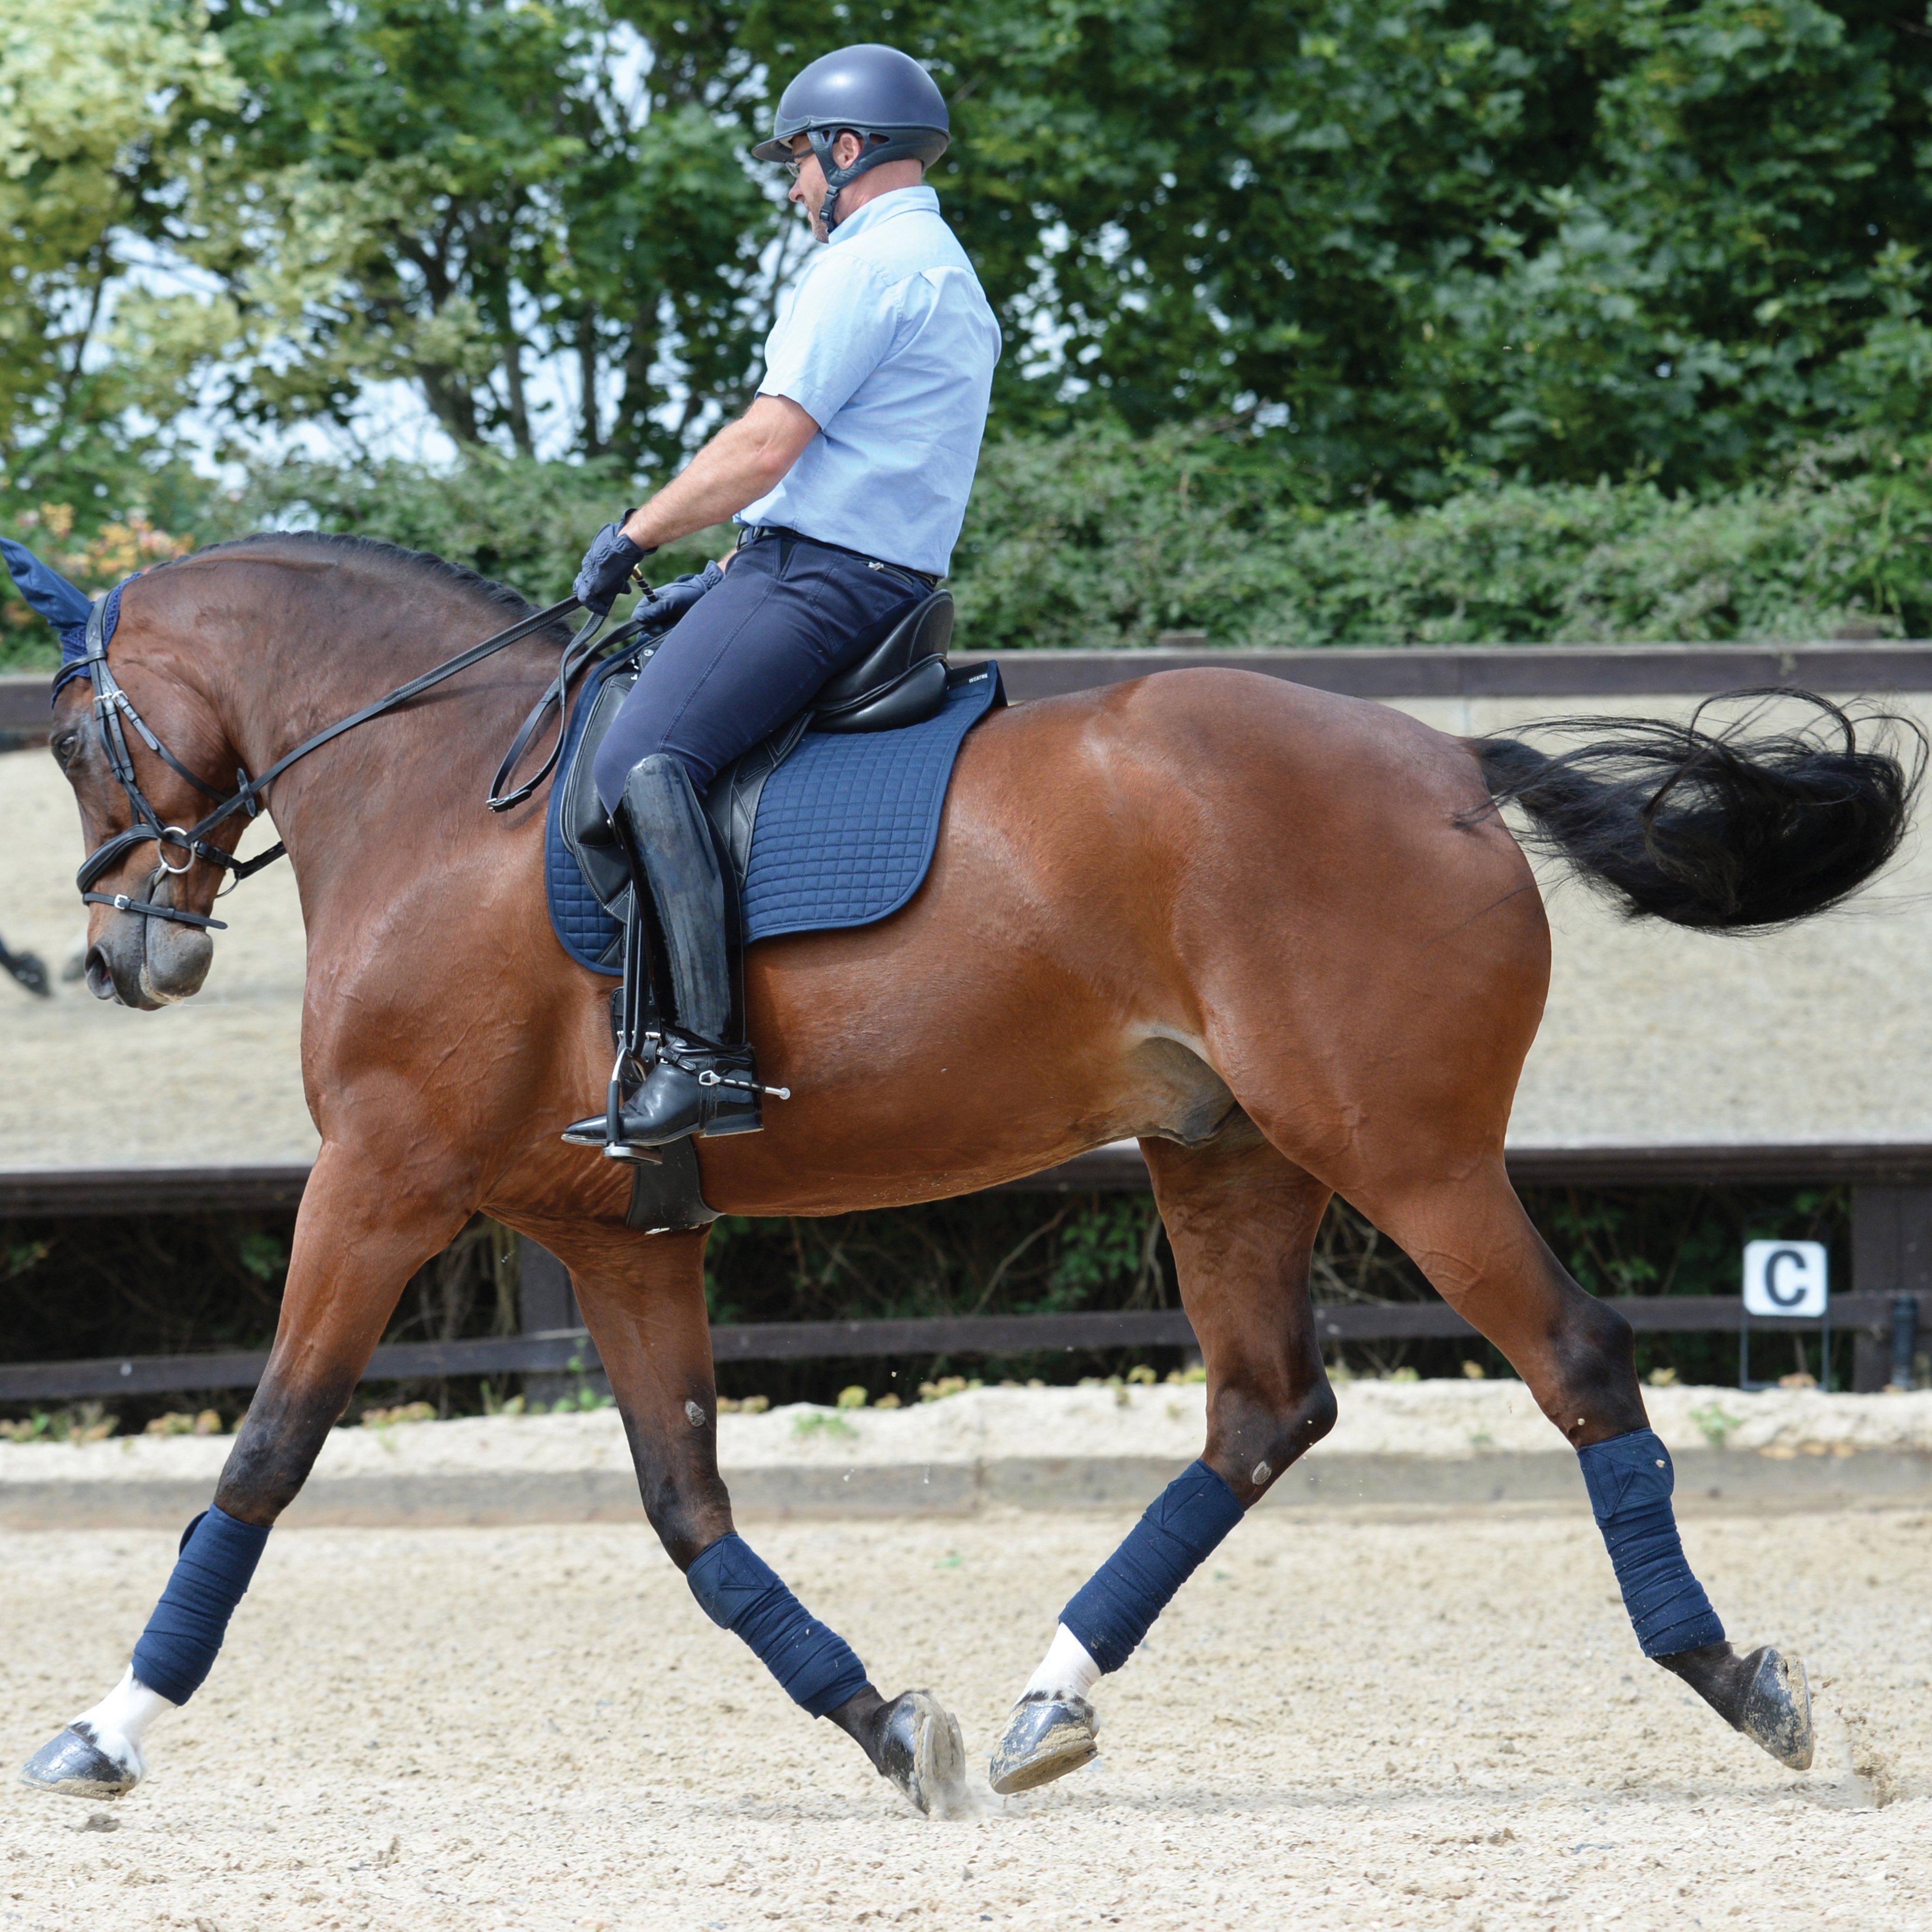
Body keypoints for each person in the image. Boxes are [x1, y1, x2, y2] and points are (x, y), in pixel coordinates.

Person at [563, 41, 1002, 1156]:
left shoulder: (862, 264)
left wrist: (634, 533)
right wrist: (717, 574)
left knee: (639, 761)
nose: (797, 185)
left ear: (846, 150)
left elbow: (765, 443)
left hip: (821, 576)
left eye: (800, 162)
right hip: (850, 566)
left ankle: (705, 1055)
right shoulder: (943, 265)